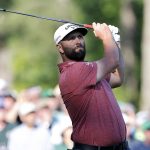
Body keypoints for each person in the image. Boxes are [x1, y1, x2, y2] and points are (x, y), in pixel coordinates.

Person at [54, 22, 130, 150]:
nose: (78, 41)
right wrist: (106, 37)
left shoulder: (89, 70)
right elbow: (112, 61)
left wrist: (115, 42)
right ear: (60, 48)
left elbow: (118, 78)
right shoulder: (73, 71)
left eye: (80, 36)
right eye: (71, 38)